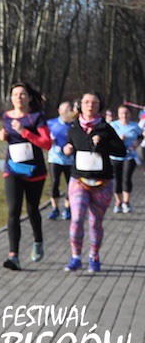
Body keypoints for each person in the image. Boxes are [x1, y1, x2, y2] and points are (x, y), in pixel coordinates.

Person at [63, 92, 125, 273]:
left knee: (95, 222)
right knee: (76, 218)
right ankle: (76, 257)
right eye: (86, 102)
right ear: (80, 105)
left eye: (94, 103)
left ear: (99, 106)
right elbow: (69, 144)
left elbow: (121, 151)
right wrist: (67, 148)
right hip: (79, 180)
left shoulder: (106, 128)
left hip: (102, 183)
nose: (90, 105)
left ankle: (94, 256)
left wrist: (103, 144)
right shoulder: (74, 127)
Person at [0, 82, 51, 271]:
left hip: (34, 171)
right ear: (11, 98)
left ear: (29, 97)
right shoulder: (6, 116)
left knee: (32, 209)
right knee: (13, 210)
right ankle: (14, 256)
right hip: (12, 169)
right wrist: (3, 136)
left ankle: (38, 241)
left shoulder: (37, 117)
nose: (18, 97)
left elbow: (47, 143)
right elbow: (7, 136)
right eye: (15, 94)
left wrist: (24, 132)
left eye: (22, 94)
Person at [108, 105, 141, 213]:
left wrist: (137, 143)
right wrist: (117, 140)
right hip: (115, 156)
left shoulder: (135, 126)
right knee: (117, 180)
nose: (124, 115)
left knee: (126, 179)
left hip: (130, 156)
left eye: (126, 113)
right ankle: (118, 201)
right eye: (122, 113)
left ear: (130, 114)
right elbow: (107, 139)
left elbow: (140, 137)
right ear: (118, 114)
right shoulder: (113, 125)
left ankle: (126, 202)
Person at [46, 101, 75, 220]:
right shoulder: (51, 123)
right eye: (64, 110)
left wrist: (72, 147)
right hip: (55, 158)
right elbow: (45, 139)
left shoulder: (74, 125)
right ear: (59, 111)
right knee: (54, 183)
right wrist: (49, 141)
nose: (67, 112)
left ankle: (68, 209)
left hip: (70, 160)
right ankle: (55, 209)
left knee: (70, 185)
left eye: (69, 109)